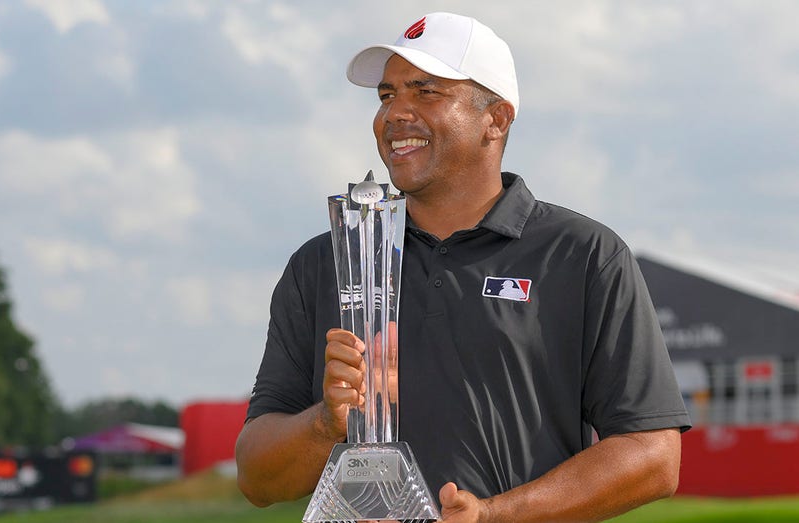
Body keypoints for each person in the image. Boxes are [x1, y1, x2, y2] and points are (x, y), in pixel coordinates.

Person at [236, 11, 691, 522]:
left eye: (425, 92)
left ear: (495, 118)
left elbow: (653, 456)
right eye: (387, 96)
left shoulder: (583, 254)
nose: (395, 114)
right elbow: (256, 478)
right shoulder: (325, 262)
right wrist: (324, 425)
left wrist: (495, 515)